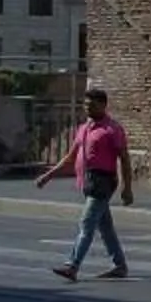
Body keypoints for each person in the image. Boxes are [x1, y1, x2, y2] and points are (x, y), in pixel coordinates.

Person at [38, 87, 132, 282]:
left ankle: (72, 265)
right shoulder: (84, 128)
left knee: (87, 223)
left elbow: (124, 158)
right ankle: (119, 265)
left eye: (93, 105)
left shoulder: (112, 129)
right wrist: (48, 175)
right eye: (86, 104)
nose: (88, 108)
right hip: (88, 182)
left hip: (103, 181)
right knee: (105, 226)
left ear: (104, 105)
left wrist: (127, 187)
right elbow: (71, 157)